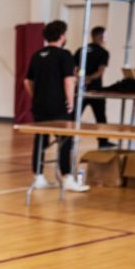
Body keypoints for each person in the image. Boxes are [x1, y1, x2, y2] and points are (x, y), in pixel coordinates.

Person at [24, 20, 89, 192]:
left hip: (39, 105)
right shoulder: (64, 55)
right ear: (62, 36)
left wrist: (36, 96)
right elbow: (69, 80)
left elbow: (27, 81)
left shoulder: (37, 55)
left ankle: (38, 177)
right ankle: (67, 177)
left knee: (40, 140)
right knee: (65, 140)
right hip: (59, 106)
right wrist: (71, 102)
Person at [74, 26, 115, 148]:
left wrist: (82, 79)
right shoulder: (103, 52)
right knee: (100, 117)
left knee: (75, 116)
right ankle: (103, 142)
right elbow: (100, 71)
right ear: (100, 36)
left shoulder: (81, 50)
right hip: (96, 90)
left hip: (81, 89)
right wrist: (90, 79)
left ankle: (68, 140)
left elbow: (74, 69)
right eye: (105, 36)